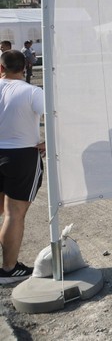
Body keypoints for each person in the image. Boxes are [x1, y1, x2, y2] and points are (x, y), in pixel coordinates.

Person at [0, 50, 45, 283]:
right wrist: (48, 141)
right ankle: (8, 269)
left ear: (1, 68)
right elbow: (57, 115)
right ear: (25, 68)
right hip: (21, 156)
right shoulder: (32, 91)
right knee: (14, 214)